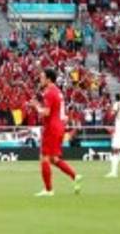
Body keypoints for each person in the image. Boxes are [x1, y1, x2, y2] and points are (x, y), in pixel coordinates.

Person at [33, 68, 81, 197]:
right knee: (54, 159)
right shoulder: (58, 92)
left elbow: (47, 112)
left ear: (49, 79)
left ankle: (48, 190)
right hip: (59, 127)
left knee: (44, 158)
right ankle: (75, 176)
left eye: (42, 77)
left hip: (51, 127)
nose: (40, 80)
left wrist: (36, 107)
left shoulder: (49, 92)